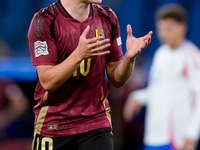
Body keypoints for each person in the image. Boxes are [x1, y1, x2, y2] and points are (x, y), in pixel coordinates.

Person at [27, 0, 152, 150]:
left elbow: (117, 79)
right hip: (55, 125)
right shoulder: (44, 21)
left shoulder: (107, 17)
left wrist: (129, 58)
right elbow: (47, 82)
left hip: (96, 124)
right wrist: (78, 55)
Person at [123, 3, 200, 150]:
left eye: (169, 29)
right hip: (153, 136)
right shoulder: (160, 54)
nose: (164, 34)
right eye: (161, 29)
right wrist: (137, 97)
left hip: (176, 139)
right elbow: (158, 90)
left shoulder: (192, 57)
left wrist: (192, 133)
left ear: (182, 28)